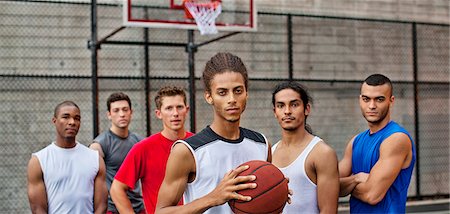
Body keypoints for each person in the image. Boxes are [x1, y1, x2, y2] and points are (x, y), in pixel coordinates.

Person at [155, 52, 272, 214]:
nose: (232, 99)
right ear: (209, 97)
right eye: (222, 92)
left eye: (238, 90)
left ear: (247, 93)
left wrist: (276, 197)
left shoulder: (262, 144)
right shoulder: (187, 151)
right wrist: (212, 198)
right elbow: (161, 212)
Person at [338, 74, 416, 213]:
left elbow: (372, 194)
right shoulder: (355, 142)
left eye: (379, 99)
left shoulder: (397, 139)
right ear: (360, 100)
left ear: (391, 101)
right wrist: (356, 178)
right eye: (366, 99)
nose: (372, 106)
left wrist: (348, 185)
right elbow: (332, 186)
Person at [110, 86, 194, 214]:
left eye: (179, 107)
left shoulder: (198, 144)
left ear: (186, 110)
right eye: (169, 108)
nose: (175, 113)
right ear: (159, 114)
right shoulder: (144, 148)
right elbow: (117, 188)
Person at [27, 101, 107, 214]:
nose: (72, 122)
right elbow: (37, 209)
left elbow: (102, 205)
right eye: (66, 117)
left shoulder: (95, 158)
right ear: (54, 121)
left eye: (77, 118)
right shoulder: (39, 160)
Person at [271, 81, 339, 213]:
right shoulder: (270, 152)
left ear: (306, 109)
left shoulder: (322, 153)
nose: (287, 111)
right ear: (275, 112)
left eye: (294, 104)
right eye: (281, 106)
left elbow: (328, 210)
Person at [89, 92, 145, 214]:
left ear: (131, 112)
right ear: (109, 115)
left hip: (138, 207)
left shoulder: (139, 142)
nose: (122, 114)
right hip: (113, 208)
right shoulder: (99, 145)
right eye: (116, 110)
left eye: (125, 110)